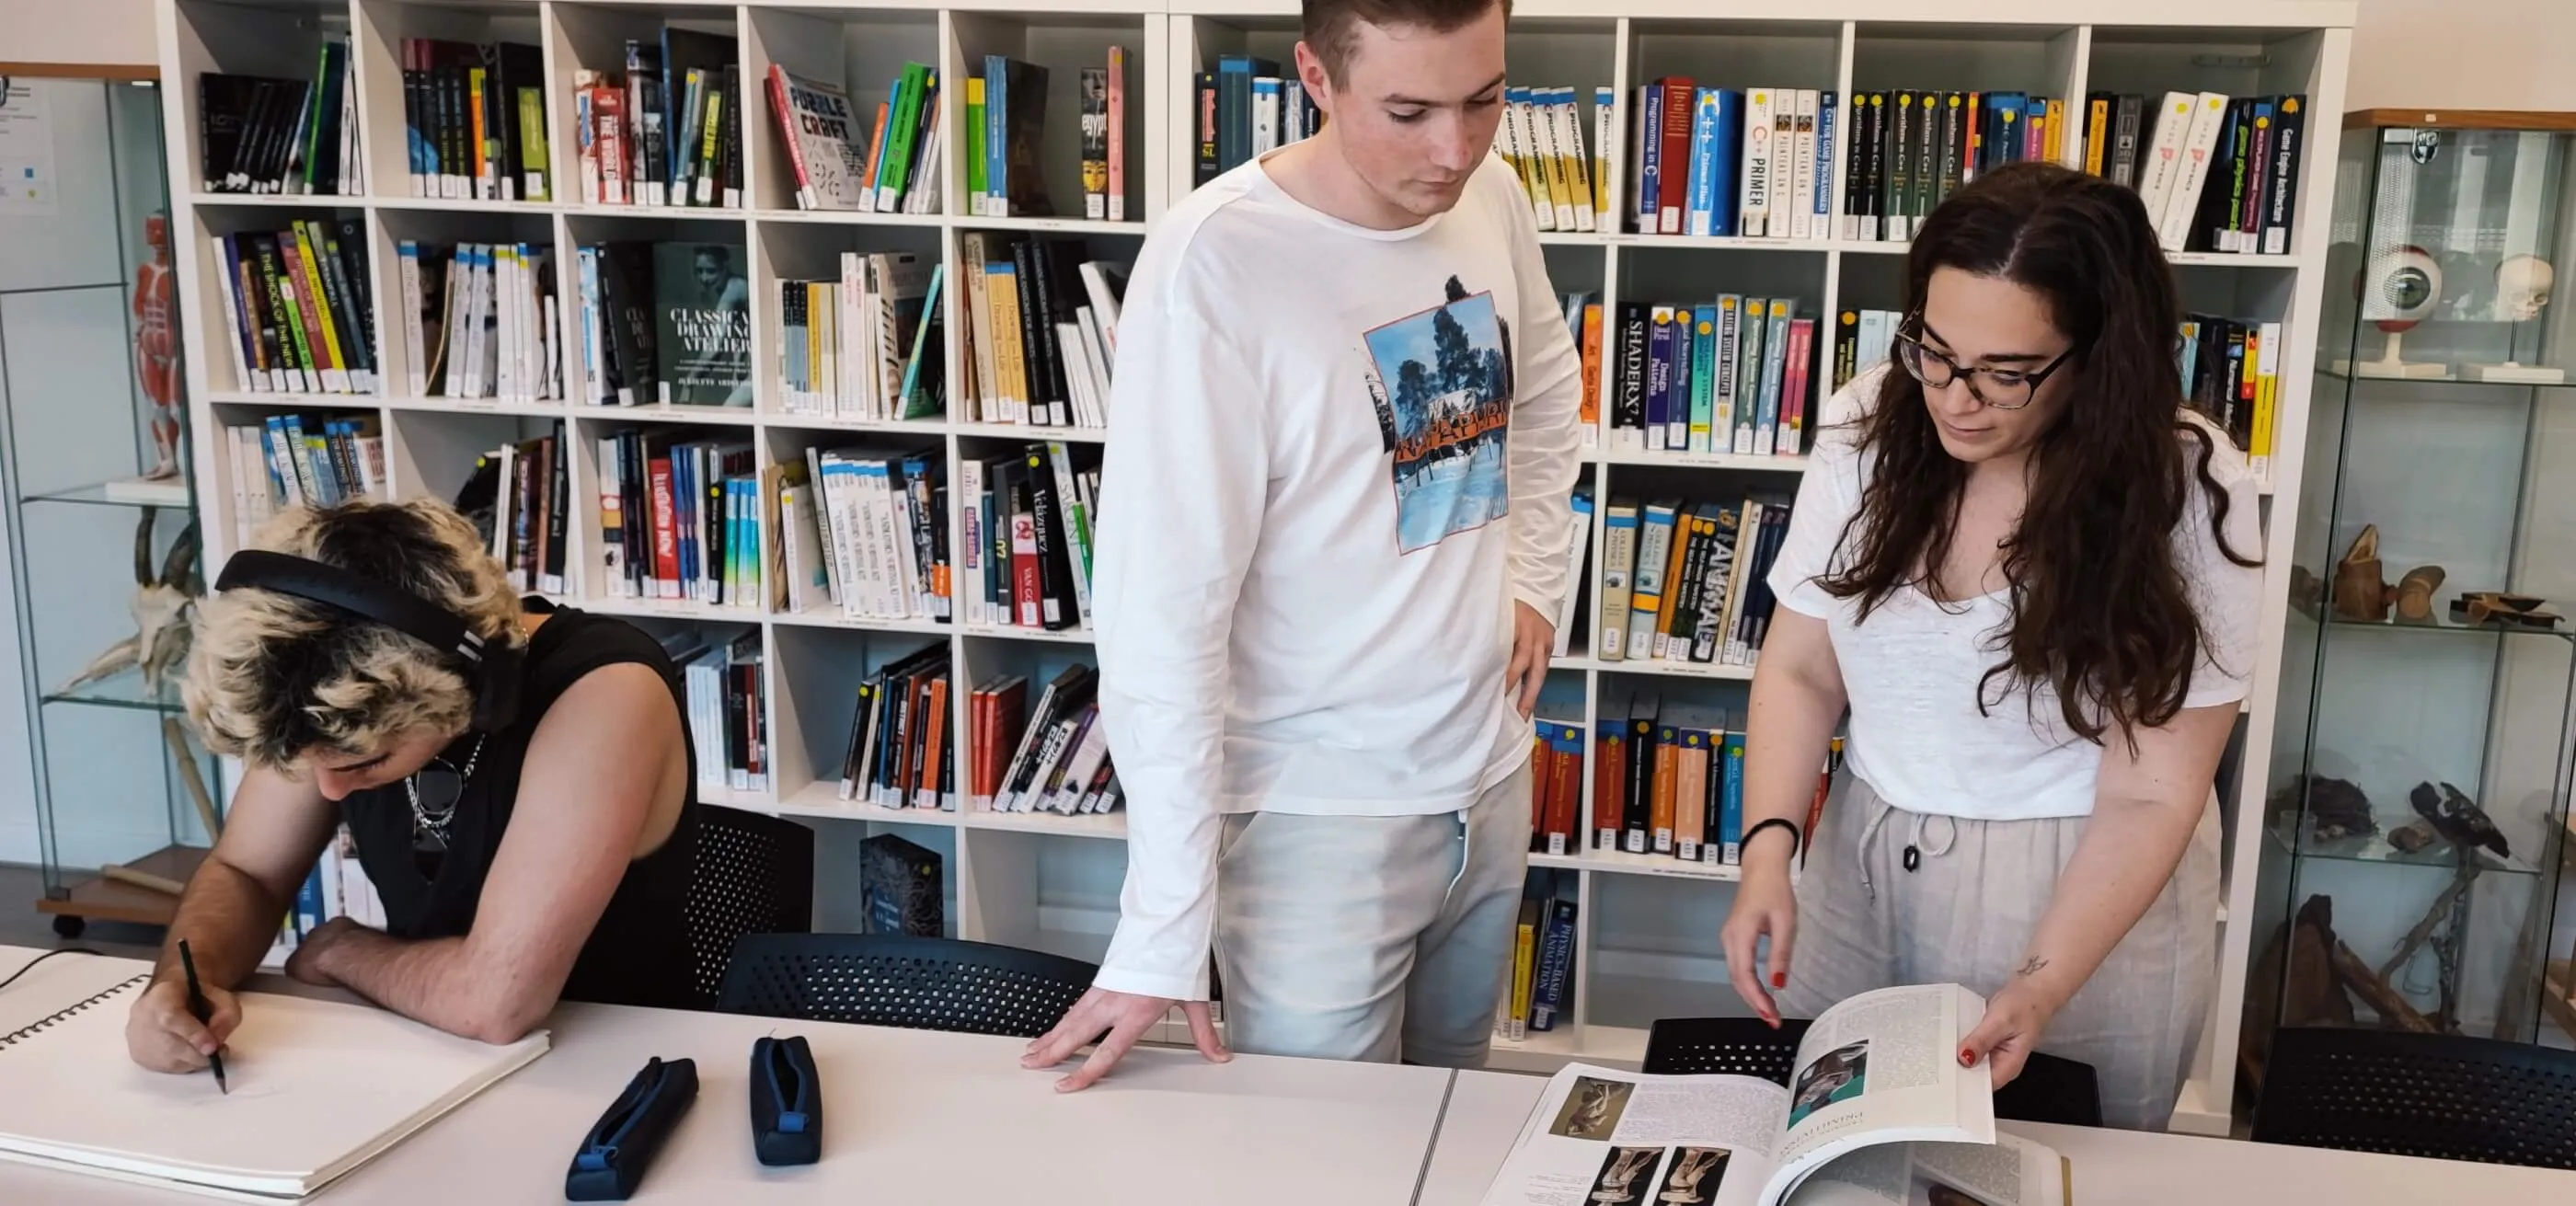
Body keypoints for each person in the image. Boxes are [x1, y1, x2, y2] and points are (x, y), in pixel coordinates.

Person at [1021, 0, 1583, 1091]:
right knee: (1324, 1150)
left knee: (1451, 1115)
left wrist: (1533, 582)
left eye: (1485, 100)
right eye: (1409, 110)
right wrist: (1162, 926)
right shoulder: (1215, 264)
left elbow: (1547, 394)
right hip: (1314, 817)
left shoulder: (1492, 194)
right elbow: (1160, 612)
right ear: (1316, 78)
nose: (1453, 150)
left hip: (1486, 776)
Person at [1719, 160, 2262, 1131]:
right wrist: (1767, 849)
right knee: (1835, 1155)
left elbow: (2154, 787)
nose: (1953, 397)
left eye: (2006, 374)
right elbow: (1803, 670)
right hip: (1862, 850)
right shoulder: (1865, 424)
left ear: (2100, 357)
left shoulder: (2184, 484)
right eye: (1932, 348)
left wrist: (2043, 984)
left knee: (2054, 1162)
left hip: (2082, 883)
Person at [126, 499, 700, 1074]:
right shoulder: (320, 693)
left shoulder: (605, 692)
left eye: (364, 763)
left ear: (473, 690)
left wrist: (340, 949)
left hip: (611, 1067)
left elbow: (495, 1002)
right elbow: (246, 873)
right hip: (423, 1050)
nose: (327, 791)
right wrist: (185, 979)